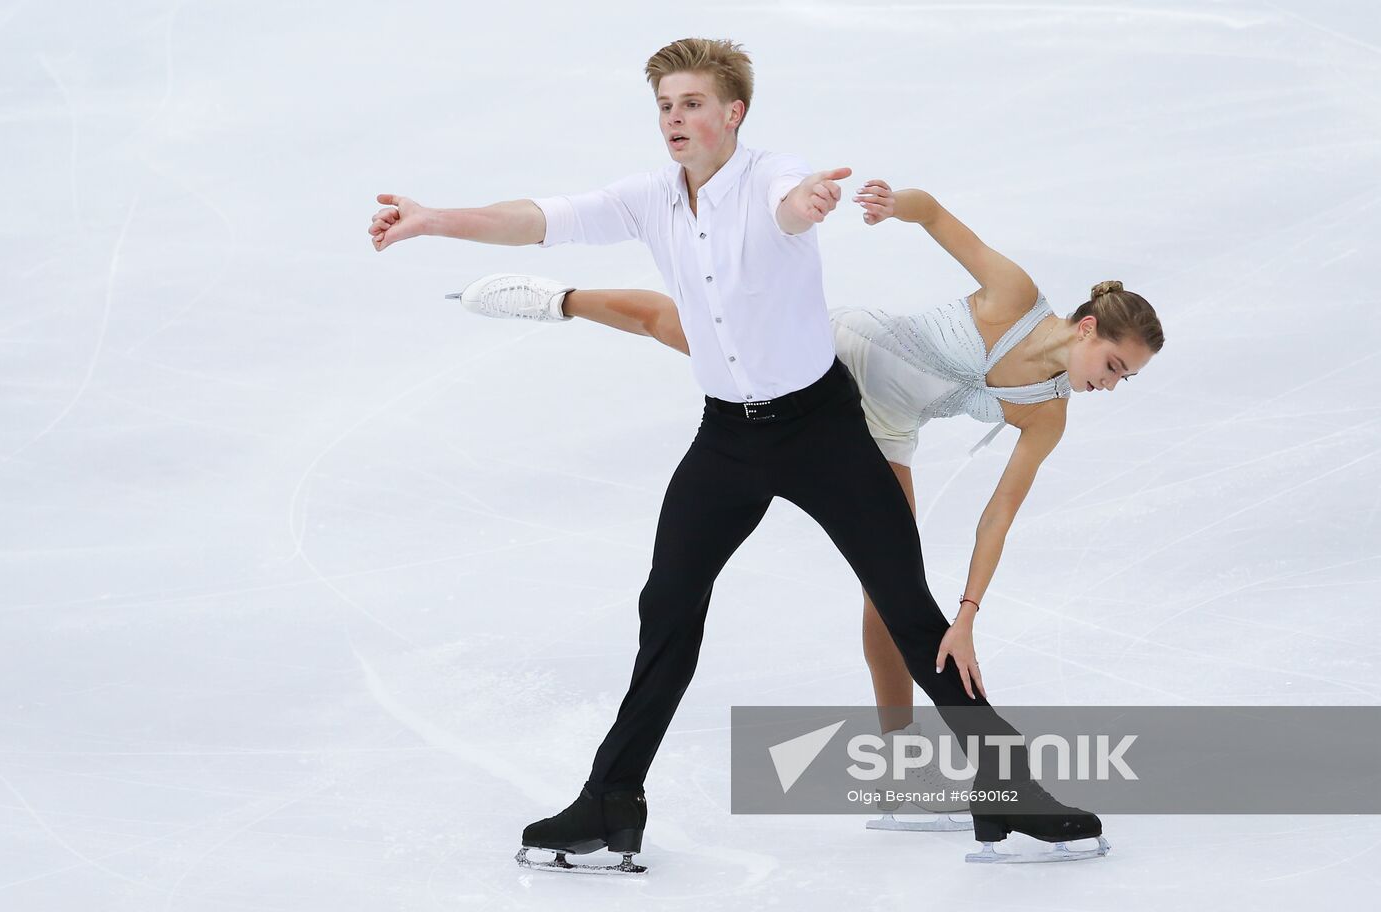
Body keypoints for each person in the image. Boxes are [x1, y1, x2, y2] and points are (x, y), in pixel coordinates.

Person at [369, 37, 1114, 870]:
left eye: (692, 104)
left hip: (823, 432)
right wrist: (436, 221)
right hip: (727, 440)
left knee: (908, 607)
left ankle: (1007, 795)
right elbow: (546, 217)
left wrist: (809, 201)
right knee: (667, 613)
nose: (675, 120)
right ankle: (611, 800)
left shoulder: (768, 177)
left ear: (733, 114)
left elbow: (788, 203)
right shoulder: (650, 198)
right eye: (665, 106)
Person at [452, 185, 1165, 743]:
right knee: (689, 329)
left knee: (893, 586)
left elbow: (998, 515)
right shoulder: (1013, 294)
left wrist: (970, 613)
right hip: (850, 355)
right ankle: (559, 300)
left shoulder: (1049, 412)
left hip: (889, 427)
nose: (1111, 383)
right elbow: (935, 216)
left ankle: (896, 759)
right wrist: (894, 204)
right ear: (1087, 327)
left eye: (1123, 378)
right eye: (1112, 365)